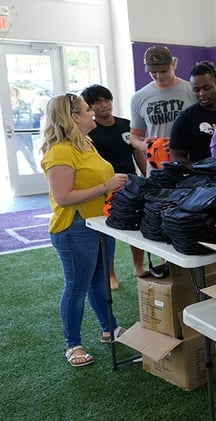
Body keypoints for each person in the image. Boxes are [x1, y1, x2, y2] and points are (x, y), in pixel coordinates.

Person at [40, 93, 130, 367]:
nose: (93, 112)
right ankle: (73, 345)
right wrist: (107, 186)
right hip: (75, 227)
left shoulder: (86, 143)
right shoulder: (60, 151)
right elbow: (64, 196)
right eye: (87, 109)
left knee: (100, 280)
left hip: (99, 222)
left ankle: (109, 329)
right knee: (77, 286)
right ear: (73, 117)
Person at [80, 84, 148, 286]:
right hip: (106, 186)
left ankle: (139, 266)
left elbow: (137, 153)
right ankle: (110, 274)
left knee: (136, 225)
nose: (104, 105)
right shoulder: (90, 131)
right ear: (90, 108)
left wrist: (147, 177)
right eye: (97, 102)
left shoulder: (125, 125)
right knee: (106, 231)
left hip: (131, 183)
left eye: (106, 100)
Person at [129, 45, 196, 168]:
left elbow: (204, 129)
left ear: (174, 64)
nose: (159, 76)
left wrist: (179, 142)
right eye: (153, 72)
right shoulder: (138, 97)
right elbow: (134, 135)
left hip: (188, 166)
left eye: (164, 71)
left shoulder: (192, 91)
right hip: (157, 169)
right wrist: (144, 145)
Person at [169, 61, 216, 164]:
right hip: (200, 178)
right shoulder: (185, 118)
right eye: (196, 90)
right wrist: (200, 172)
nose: (202, 94)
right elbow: (176, 156)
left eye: (207, 88)